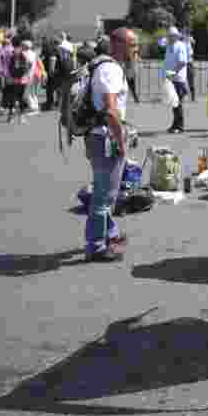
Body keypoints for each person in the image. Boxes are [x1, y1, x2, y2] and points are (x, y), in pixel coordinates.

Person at [82, 28, 138, 263]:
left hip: (97, 135)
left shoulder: (105, 67)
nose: (136, 50)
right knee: (105, 195)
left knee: (105, 189)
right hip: (106, 137)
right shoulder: (111, 69)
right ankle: (96, 246)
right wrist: (121, 141)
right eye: (133, 45)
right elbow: (111, 109)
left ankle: (110, 233)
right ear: (118, 45)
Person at [163, 26, 189, 133]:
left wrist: (172, 73)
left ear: (176, 36)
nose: (169, 38)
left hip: (178, 79)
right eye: (168, 36)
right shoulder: (170, 46)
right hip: (171, 78)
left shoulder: (180, 46)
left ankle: (180, 126)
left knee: (177, 103)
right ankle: (175, 125)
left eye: (171, 36)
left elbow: (182, 62)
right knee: (174, 103)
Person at [6, 40, 34, 125]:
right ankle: (21, 117)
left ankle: (11, 116)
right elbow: (29, 65)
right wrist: (27, 74)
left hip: (13, 79)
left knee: (12, 97)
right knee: (21, 97)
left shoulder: (11, 54)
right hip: (22, 79)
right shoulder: (24, 54)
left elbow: (8, 66)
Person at [185, 32, 197, 103]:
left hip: (189, 63)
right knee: (181, 81)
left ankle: (193, 97)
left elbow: (193, 42)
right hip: (184, 63)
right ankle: (183, 95)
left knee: (191, 82)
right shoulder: (181, 42)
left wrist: (190, 40)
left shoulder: (189, 41)